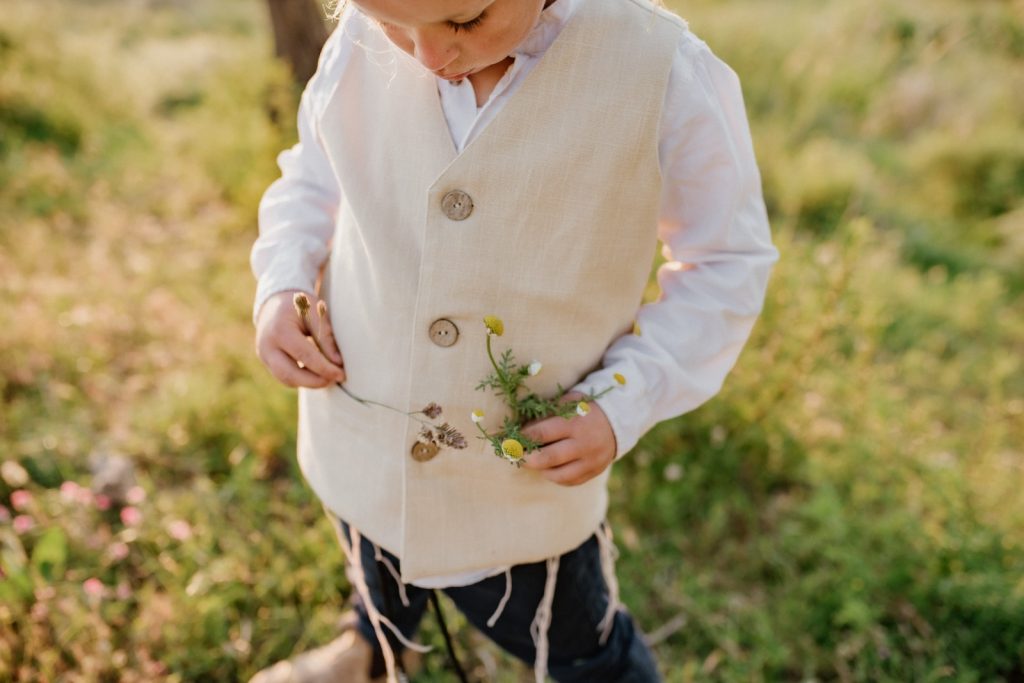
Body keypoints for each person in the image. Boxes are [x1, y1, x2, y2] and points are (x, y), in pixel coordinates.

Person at [249, 0, 778, 680]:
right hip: (363, 421)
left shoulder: (659, 68)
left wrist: (623, 400)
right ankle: (374, 645)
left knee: (582, 648)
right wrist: (281, 278)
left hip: (523, 477)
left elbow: (726, 263)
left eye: (464, 22)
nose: (428, 58)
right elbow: (313, 170)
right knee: (376, 548)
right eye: (392, 26)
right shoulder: (358, 38)